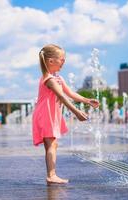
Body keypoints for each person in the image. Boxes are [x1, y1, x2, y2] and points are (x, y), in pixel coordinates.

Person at [32, 44, 99, 185]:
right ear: (51, 61)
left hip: (51, 113)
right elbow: (62, 97)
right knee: (51, 144)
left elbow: (70, 93)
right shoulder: (49, 79)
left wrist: (87, 100)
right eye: (61, 59)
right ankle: (51, 175)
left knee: (53, 144)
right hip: (46, 114)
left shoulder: (58, 78)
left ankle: (51, 174)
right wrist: (76, 112)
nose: (64, 61)